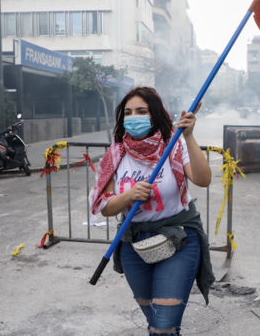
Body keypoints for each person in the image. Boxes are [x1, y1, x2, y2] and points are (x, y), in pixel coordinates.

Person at [88, 86, 213, 336]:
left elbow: (203, 179)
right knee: (155, 319)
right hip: (134, 243)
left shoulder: (175, 145)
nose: (134, 117)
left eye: (141, 111)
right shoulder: (115, 154)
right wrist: (129, 195)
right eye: (128, 112)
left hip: (179, 237)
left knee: (163, 326)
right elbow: (106, 208)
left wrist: (188, 135)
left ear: (154, 114)